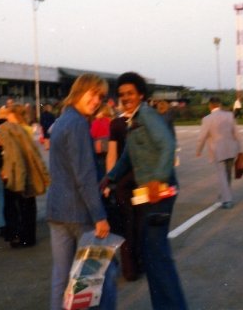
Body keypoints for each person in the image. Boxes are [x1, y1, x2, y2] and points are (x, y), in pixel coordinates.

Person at [102, 71, 187, 310]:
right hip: (148, 195)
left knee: (156, 255)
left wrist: (157, 178)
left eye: (130, 93)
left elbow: (168, 145)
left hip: (158, 193)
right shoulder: (133, 120)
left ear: (140, 94)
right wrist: (110, 177)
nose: (126, 98)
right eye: (121, 95)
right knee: (153, 255)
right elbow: (128, 157)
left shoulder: (147, 115)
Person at [46, 74, 116, 310]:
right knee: (90, 280)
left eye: (100, 97)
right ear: (79, 91)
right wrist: (99, 216)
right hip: (79, 213)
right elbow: (84, 176)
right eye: (92, 94)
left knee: (61, 277)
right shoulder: (77, 124)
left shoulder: (62, 120)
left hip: (57, 211)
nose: (96, 100)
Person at [0, 104, 49, 248]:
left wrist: (10, 174)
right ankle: (29, 237)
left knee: (16, 207)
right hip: (30, 173)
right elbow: (35, 154)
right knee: (28, 207)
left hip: (17, 173)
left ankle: (19, 237)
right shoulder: (25, 129)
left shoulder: (7, 129)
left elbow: (13, 155)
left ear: (13, 115)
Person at [106, 104, 141, 282]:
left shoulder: (116, 124)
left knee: (126, 225)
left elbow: (112, 156)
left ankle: (130, 270)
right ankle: (141, 263)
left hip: (123, 183)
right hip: (142, 181)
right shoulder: (145, 121)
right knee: (141, 222)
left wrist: (108, 180)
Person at [196, 96, 242, 209]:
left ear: (210, 105)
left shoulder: (207, 119)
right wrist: (239, 149)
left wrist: (198, 150)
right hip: (231, 149)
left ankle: (227, 200)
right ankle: (226, 193)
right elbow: (236, 133)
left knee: (222, 175)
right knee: (227, 174)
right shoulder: (230, 115)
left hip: (218, 150)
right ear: (220, 104)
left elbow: (202, 137)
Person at [91, 103, 113, 179]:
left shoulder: (97, 121)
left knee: (101, 168)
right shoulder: (111, 121)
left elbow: (92, 134)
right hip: (109, 147)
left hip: (99, 148)